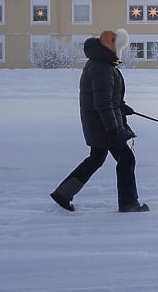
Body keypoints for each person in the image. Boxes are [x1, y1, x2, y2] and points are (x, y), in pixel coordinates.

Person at [50, 29, 149, 213]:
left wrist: (121, 106)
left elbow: (108, 98)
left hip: (99, 124)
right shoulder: (102, 67)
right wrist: (114, 130)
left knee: (96, 159)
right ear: (108, 45)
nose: (118, 49)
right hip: (104, 126)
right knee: (126, 159)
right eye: (116, 45)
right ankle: (129, 203)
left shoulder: (102, 64)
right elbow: (102, 103)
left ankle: (63, 193)